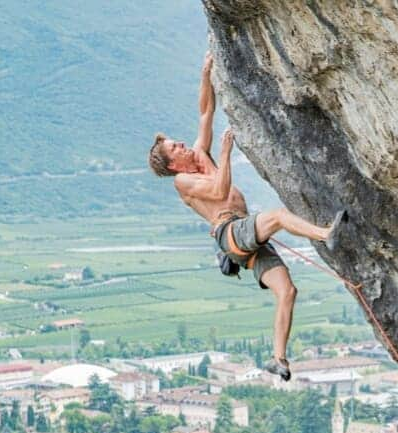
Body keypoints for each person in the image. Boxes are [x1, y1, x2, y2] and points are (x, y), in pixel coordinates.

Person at [147, 52, 346, 381]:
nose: (182, 144)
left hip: (244, 238)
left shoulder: (199, 153)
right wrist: (224, 154)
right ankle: (326, 235)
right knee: (279, 216)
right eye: (175, 148)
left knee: (287, 290)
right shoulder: (184, 182)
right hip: (231, 233)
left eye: (177, 143)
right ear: (172, 165)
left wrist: (205, 72)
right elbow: (219, 191)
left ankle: (278, 358)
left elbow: (205, 111)